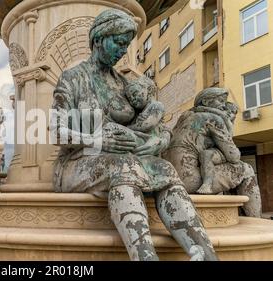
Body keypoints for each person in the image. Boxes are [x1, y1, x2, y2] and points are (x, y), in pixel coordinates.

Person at [51, 9, 218, 261]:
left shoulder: (124, 83)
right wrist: (99, 140)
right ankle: (145, 257)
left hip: (126, 161)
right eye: (118, 43)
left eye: (126, 45)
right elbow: (56, 132)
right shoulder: (73, 78)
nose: (122, 51)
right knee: (124, 166)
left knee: (164, 168)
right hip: (77, 163)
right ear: (98, 39)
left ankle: (205, 255)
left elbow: (160, 131)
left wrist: (155, 142)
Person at [163, 88, 261, 217]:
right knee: (246, 169)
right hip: (190, 181)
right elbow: (234, 156)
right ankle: (255, 220)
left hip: (171, 179)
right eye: (220, 101)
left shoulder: (183, 119)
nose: (223, 105)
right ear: (205, 102)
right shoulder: (213, 119)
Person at [195, 102, 239, 194]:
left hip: (224, 152)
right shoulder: (216, 119)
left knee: (206, 155)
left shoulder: (227, 123)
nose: (229, 114)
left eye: (232, 112)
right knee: (205, 154)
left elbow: (228, 144)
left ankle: (207, 184)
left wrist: (203, 108)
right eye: (225, 110)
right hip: (215, 149)